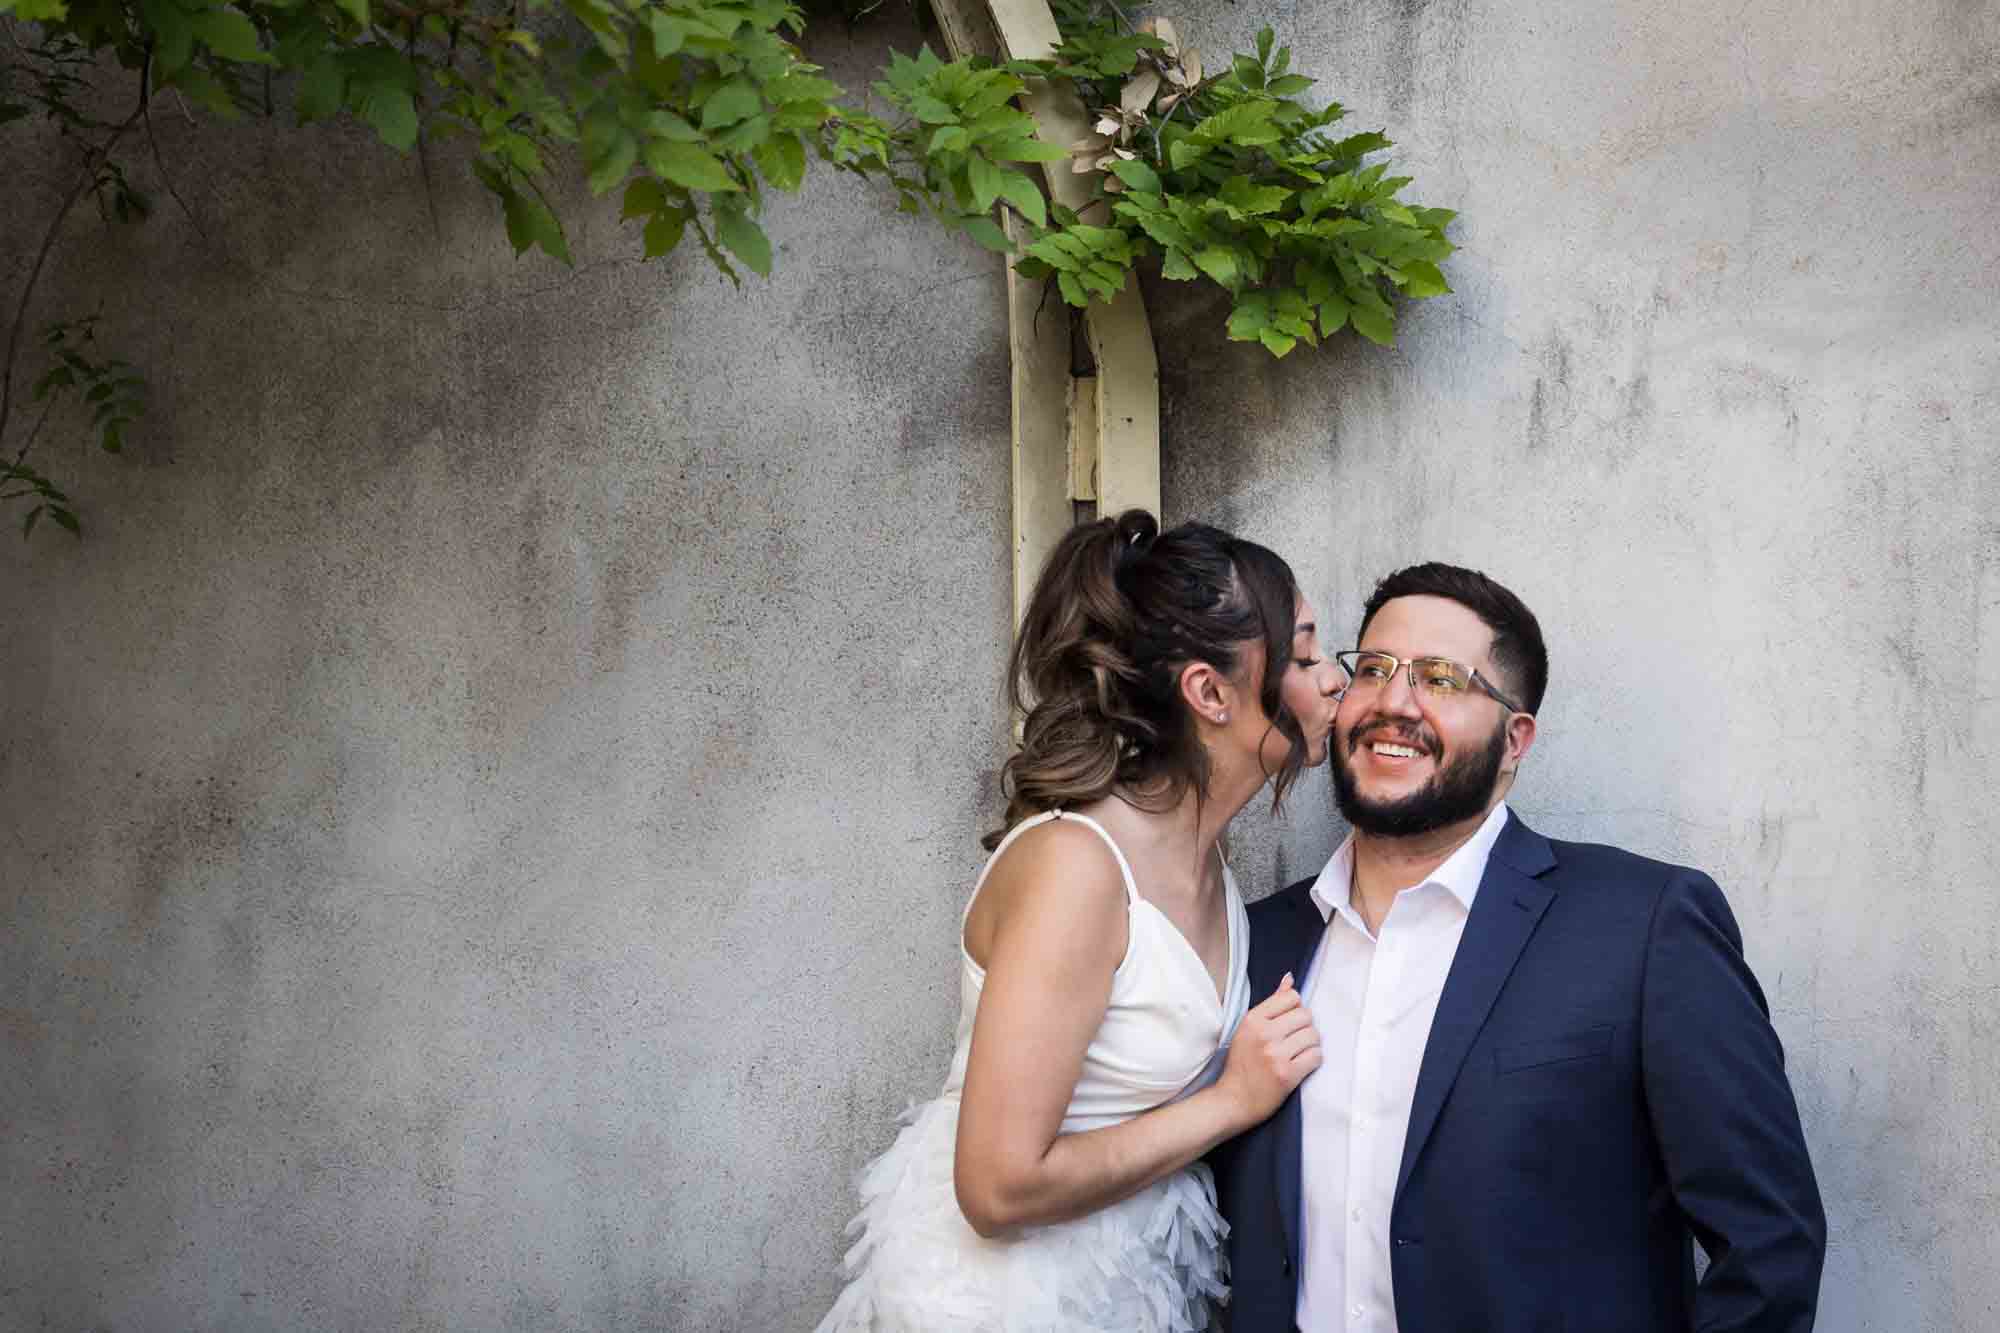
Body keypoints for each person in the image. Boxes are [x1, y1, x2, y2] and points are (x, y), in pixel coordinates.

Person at [1212, 562, 1827, 1332]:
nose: (1394, 702)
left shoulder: (1644, 926)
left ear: (1515, 739)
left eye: (1440, 678)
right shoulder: (1257, 939)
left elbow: (1770, 1246)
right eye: (1373, 669)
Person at [816, 510, 1345, 1332]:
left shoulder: (1204, 857)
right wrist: (1234, 1098)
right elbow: (996, 1186)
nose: (1334, 679)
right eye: (1305, 655)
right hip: (1002, 1301)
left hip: (1121, 1289)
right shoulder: (1080, 869)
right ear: (1209, 692)